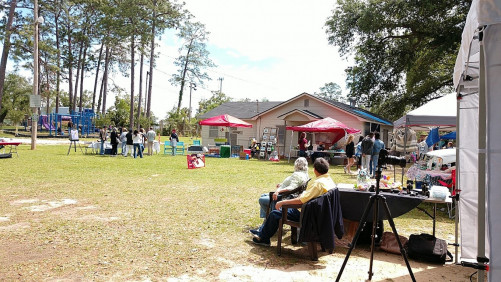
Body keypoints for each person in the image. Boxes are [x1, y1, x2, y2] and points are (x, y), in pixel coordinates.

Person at [251, 158, 335, 246]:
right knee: (277, 211)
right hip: (319, 215)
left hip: (306, 215)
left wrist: (283, 202)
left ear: (315, 170)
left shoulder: (318, 184)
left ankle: (263, 238)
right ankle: (262, 233)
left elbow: (300, 201)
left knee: (275, 213)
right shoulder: (329, 181)